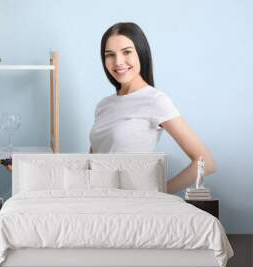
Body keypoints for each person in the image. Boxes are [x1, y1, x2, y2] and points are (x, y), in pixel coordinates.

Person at [89, 22, 216, 194]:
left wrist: (160, 193)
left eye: (127, 52)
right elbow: (93, 160)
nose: (118, 62)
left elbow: (206, 162)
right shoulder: (103, 105)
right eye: (110, 55)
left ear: (141, 53)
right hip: (96, 200)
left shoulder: (155, 101)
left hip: (129, 206)